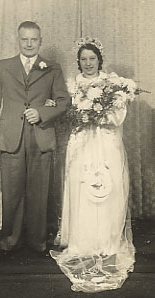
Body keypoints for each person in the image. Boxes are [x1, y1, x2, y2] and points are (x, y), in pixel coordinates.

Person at [50, 37, 136, 292]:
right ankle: (82, 240)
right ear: (79, 62)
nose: (88, 63)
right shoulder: (71, 85)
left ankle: (107, 241)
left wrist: (99, 113)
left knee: (108, 187)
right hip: (82, 142)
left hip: (106, 142)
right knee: (82, 186)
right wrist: (83, 114)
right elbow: (67, 114)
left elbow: (119, 117)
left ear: (100, 60)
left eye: (92, 58)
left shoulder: (113, 84)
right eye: (83, 59)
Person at [0, 21, 70, 256]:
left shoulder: (52, 68)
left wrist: (41, 112)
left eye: (34, 39)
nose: (29, 44)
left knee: (39, 192)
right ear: (18, 40)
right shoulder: (3, 66)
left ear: (40, 41)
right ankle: (11, 241)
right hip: (10, 138)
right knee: (11, 192)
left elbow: (64, 101)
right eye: (25, 39)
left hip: (41, 137)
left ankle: (38, 242)